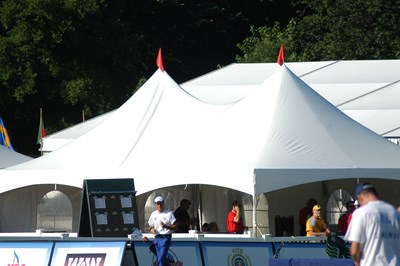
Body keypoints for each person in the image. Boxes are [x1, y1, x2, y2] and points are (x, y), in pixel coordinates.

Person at [345, 183, 400, 266]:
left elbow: (354, 250)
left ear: (360, 198)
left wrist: (357, 263)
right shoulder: (393, 212)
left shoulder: (361, 212)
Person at [148, 196, 177, 266]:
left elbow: (175, 226)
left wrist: (166, 226)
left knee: (160, 259)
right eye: (158, 204)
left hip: (165, 238)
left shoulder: (169, 213)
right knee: (162, 259)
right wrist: (151, 229)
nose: (159, 205)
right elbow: (150, 225)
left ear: (163, 204)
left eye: (161, 203)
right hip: (157, 238)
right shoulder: (153, 214)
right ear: (156, 205)